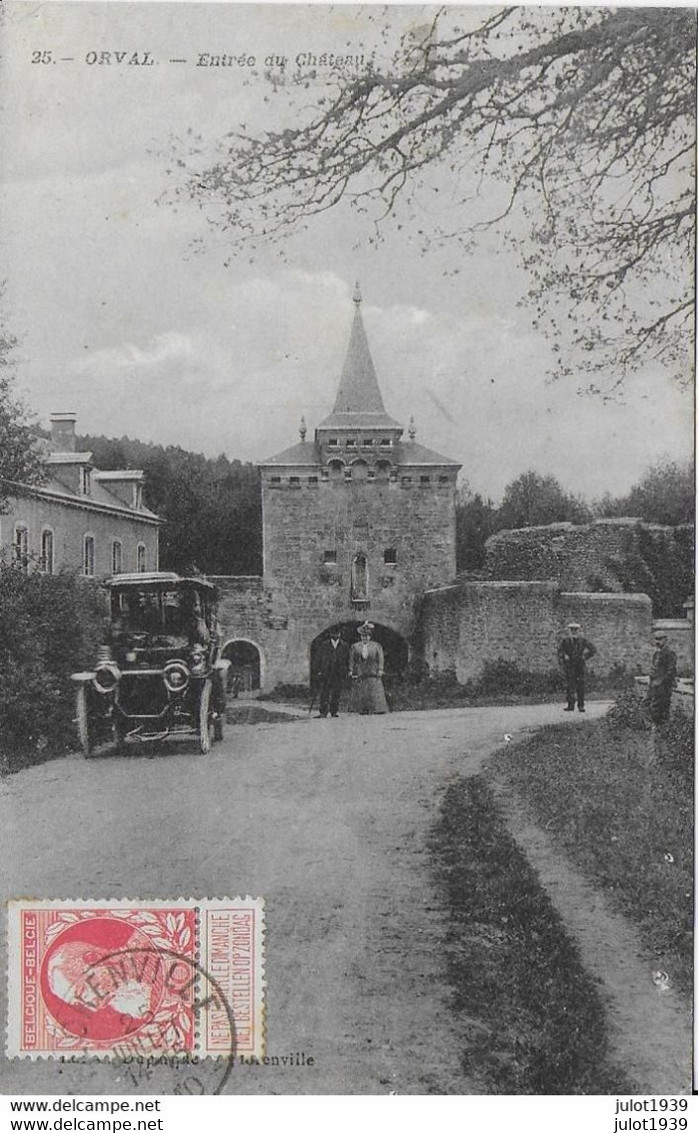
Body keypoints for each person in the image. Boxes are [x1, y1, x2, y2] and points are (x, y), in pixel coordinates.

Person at [349, 621, 389, 715]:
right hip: (361, 671)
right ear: (360, 636)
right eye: (363, 636)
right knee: (362, 690)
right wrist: (351, 670)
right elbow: (351, 659)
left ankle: (377, 708)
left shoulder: (376, 646)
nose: (365, 638)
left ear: (370, 636)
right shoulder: (355, 646)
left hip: (373, 671)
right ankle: (362, 709)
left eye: (367, 636)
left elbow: (380, 658)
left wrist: (380, 669)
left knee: (374, 689)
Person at [557, 622, 596, 713]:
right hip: (570, 665)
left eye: (575, 630)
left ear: (578, 631)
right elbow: (560, 651)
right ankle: (570, 705)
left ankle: (581, 705)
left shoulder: (582, 640)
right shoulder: (565, 641)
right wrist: (564, 655)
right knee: (570, 685)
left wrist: (585, 656)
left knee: (580, 686)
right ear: (569, 631)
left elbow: (593, 649)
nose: (573, 632)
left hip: (580, 665)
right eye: (572, 630)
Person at [314, 629, 350, 718]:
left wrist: (346, 670)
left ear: (340, 634)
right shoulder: (324, 645)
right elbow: (318, 658)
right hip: (326, 672)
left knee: (336, 692)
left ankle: (334, 711)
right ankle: (323, 712)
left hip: (338, 673)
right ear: (330, 634)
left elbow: (347, 659)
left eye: (337, 633)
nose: (335, 635)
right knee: (324, 692)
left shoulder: (344, 645)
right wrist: (319, 670)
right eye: (333, 633)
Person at [646, 631, 677, 724]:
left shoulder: (669, 653)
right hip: (654, 684)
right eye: (656, 639)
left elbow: (670, 671)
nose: (657, 642)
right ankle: (653, 727)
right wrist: (652, 682)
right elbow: (654, 669)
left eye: (660, 639)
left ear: (665, 640)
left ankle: (660, 729)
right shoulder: (656, 654)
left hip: (664, 685)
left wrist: (660, 681)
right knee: (647, 704)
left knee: (660, 707)